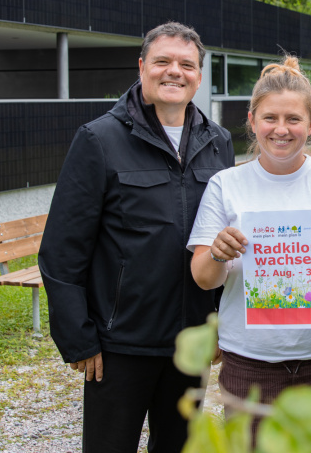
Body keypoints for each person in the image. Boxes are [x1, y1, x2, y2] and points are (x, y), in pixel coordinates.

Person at [38, 22, 235, 453]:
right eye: (162, 61)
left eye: (186, 64)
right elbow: (61, 250)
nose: (174, 72)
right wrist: (79, 337)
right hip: (119, 343)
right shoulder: (99, 139)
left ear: (199, 76)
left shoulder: (218, 142)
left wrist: (220, 323)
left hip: (190, 340)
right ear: (142, 66)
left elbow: (223, 240)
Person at [187, 56, 311, 437]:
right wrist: (218, 252)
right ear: (252, 121)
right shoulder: (225, 184)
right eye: (270, 118)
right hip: (253, 362)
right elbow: (204, 279)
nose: (281, 130)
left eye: (294, 119)